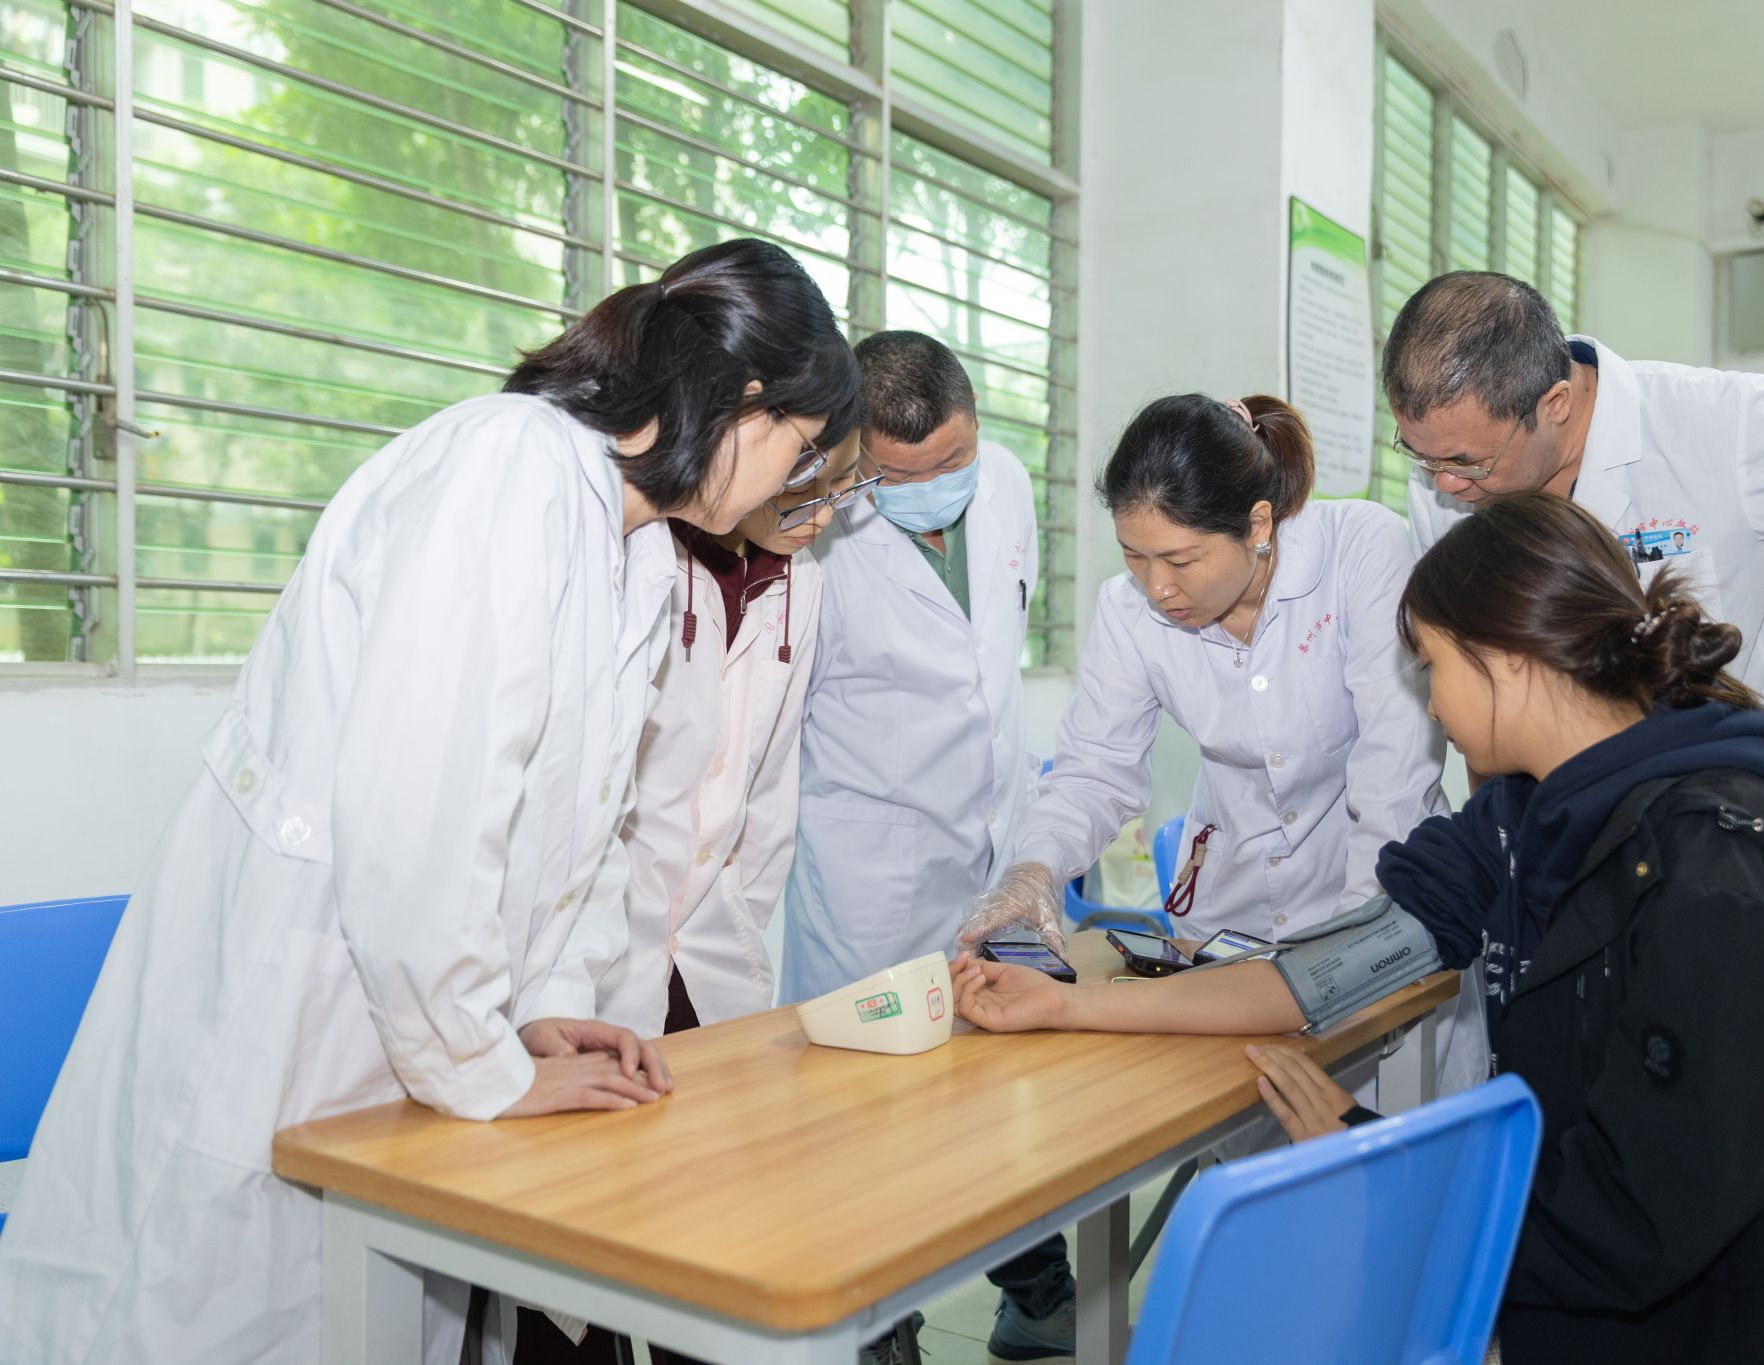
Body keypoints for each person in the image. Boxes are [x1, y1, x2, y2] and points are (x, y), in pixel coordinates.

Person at [0, 238, 861, 1365]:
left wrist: (547, 1003)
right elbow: (420, 817)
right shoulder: (507, 466)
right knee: (199, 1313)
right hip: (303, 1009)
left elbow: (584, 828)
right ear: (743, 402)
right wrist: (482, 1061)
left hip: (412, 1024)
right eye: (802, 447)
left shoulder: (639, 555)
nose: (797, 484)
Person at [950, 493, 1764, 1365]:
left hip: (1740, 1316)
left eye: (1432, 667)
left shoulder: (1713, 879)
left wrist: (1371, 1158)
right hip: (1636, 1270)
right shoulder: (1519, 818)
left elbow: (1637, 1224)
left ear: (1509, 660)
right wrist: (1068, 1006)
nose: (1430, 706)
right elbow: (1322, 974)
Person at [957, 391, 1483, 1091]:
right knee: (1239, 1122)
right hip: (1228, 930)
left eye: (1181, 559)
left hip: (1375, 899)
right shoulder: (1129, 612)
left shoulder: (1359, 550)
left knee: (1385, 1126)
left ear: (1258, 524)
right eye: (1135, 556)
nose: (1157, 587)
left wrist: (1350, 952)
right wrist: (1036, 868)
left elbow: (1395, 773)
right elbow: (1093, 773)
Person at [1383, 271, 1764, 856]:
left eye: (1468, 462)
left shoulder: (1721, 425)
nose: (1445, 484)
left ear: (1556, 403)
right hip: (1565, 838)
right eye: (1420, 456)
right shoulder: (1444, 476)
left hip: (1743, 838)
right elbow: (1478, 678)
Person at [515, 442, 876, 1365]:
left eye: (845, 491)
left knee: (712, 1250)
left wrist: (738, 931)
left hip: (710, 960)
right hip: (594, 962)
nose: (823, 514)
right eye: (808, 486)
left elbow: (768, 796)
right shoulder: (642, 559)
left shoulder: (801, 583)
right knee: (573, 1264)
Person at [780, 331, 1064, 1362]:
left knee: (1000, 1082)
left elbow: (990, 665)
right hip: (869, 870)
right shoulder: (815, 529)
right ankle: (879, 1331)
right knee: (869, 1120)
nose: (933, 486)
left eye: (953, 459)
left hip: (992, 839)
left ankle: (1037, 1292)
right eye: (897, 475)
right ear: (857, 451)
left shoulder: (1008, 482)